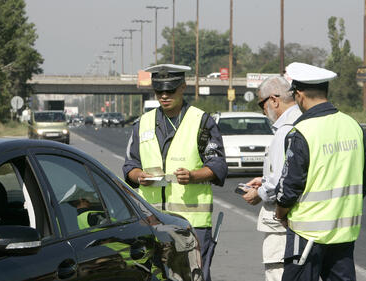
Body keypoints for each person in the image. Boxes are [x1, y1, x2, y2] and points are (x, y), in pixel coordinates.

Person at [123, 64, 228, 281]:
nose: (164, 96)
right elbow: (129, 166)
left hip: (192, 223)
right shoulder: (142, 123)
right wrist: (138, 176)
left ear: (183, 87)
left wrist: (193, 176)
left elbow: (218, 165)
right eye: (159, 91)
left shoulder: (202, 122)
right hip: (152, 221)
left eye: (170, 90)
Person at [274, 62, 366, 281]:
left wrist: (280, 214)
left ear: (299, 94)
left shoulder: (302, 132)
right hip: (343, 233)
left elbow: (289, 187)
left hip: (307, 236)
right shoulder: (354, 126)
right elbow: (364, 180)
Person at [239, 76, 302, 281]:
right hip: (308, 223)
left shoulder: (285, 130)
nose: (263, 111)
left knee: (278, 273)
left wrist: (259, 192)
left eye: (262, 104)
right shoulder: (306, 121)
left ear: (274, 100)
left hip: (282, 222)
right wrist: (264, 180)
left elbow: (279, 184)